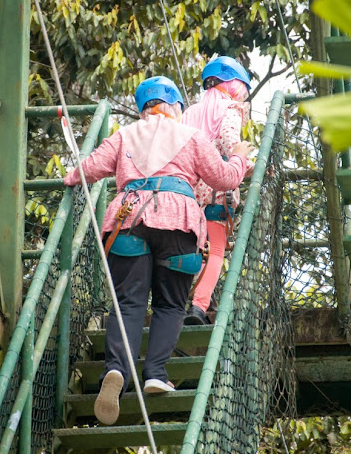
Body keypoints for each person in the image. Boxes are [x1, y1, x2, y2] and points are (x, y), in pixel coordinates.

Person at [63, 76, 253, 425]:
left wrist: (70, 177)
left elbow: (88, 170)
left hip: (128, 217)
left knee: (128, 303)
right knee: (169, 304)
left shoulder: (124, 135)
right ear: (176, 108)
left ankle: (117, 370)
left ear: (143, 109)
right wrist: (240, 158)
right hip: (178, 220)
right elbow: (224, 178)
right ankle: (155, 372)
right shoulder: (191, 136)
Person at [181, 56, 252, 325]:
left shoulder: (189, 112)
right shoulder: (231, 109)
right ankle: (198, 307)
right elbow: (229, 142)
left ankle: (178, 302)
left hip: (186, 193)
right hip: (215, 190)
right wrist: (249, 163)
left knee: (194, 249)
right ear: (234, 85)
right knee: (216, 250)